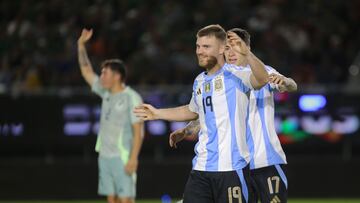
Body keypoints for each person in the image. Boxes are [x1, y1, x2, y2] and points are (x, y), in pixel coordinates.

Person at [134, 24, 269, 203]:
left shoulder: (237, 74)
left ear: (222, 48)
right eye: (198, 46)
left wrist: (247, 54)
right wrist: (158, 113)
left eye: (206, 47)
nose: (199, 51)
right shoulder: (200, 81)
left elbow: (262, 79)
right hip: (202, 168)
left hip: (231, 169)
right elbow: (191, 110)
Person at [169, 28, 297, 203]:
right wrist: (187, 130)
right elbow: (211, 115)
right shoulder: (221, 78)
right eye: (227, 48)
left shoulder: (264, 72)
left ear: (246, 47)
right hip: (237, 165)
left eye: (235, 46)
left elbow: (292, 86)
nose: (230, 52)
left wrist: (286, 82)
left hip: (265, 160)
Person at [77, 28, 144, 203]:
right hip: (105, 155)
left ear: (117, 76)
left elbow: (139, 131)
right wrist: (80, 45)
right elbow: (86, 71)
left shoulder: (132, 97)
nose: (102, 77)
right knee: (111, 199)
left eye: (105, 73)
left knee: (126, 200)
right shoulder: (105, 92)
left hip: (122, 156)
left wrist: (133, 159)